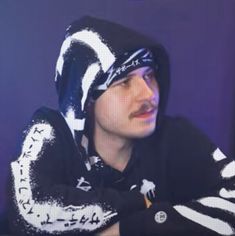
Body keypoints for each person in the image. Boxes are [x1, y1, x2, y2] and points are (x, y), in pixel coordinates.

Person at [8, 15, 235, 236]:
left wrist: (135, 227)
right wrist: (137, 203)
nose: (148, 94)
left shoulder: (174, 137)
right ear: (85, 99)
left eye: (149, 75)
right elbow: (26, 214)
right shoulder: (49, 132)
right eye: (124, 82)